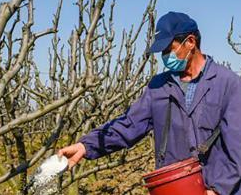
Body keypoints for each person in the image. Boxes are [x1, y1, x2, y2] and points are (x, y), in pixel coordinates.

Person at [58, 12, 241, 195]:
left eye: (169, 49)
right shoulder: (158, 87)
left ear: (190, 42)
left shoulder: (228, 84)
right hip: (174, 188)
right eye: (163, 52)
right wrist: (86, 146)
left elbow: (238, 148)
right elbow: (129, 124)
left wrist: (218, 190)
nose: (165, 56)